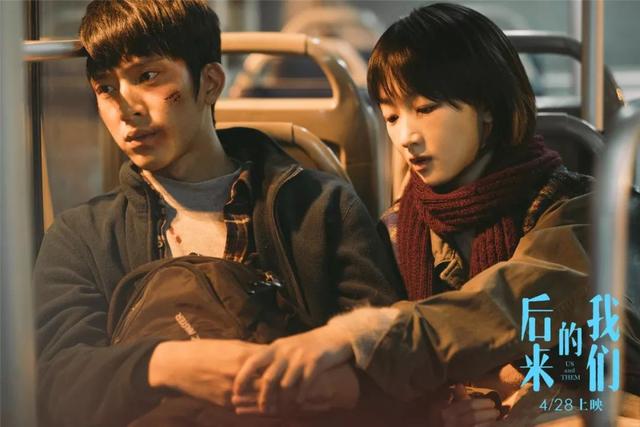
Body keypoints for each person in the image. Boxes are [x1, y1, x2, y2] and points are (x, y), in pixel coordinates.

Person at [232, 3, 604, 425]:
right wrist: (436, 413)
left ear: (487, 105)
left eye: (425, 109)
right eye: (391, 116)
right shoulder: (398, 229)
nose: (406, 136)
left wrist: (360, 335)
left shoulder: (577, 207)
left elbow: (517, 300)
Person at [33, 1, 400, 426]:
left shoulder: (319, 208)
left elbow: (390, 353)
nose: (126, 108)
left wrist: (313, 383)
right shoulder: (83, 236)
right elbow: (54, 381)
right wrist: (167, 365)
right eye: (105, 88)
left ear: (209, 83)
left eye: (147, 76)